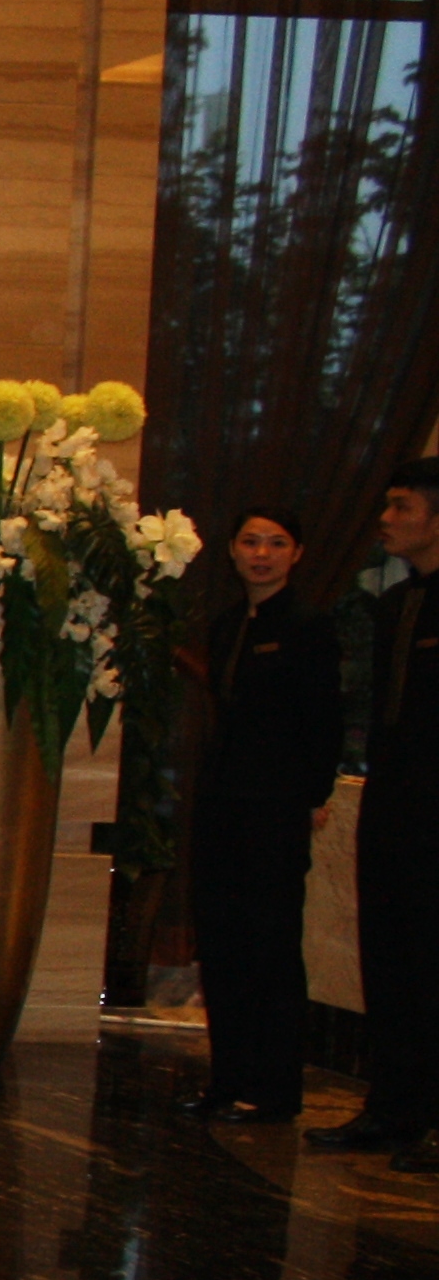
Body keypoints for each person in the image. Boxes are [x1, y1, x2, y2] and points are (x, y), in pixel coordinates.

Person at [183, 510, 342, 1125]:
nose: (262, 554)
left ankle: (273, 1089)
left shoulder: (308, 626)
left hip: (274, 810)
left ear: (296, 554)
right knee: (221, 943)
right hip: (222, 806)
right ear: (231, 550)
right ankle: (227, 1079)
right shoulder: (228, 625)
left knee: (269, 947)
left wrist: (311, 796)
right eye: (251, 541)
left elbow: (323, 722)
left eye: (277, 544)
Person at [323, 458, 439, 1163]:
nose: (386, 520)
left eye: (402, 507)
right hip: (393, 802)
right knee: (390, 959)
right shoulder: (396, 603)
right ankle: (391, 1110)